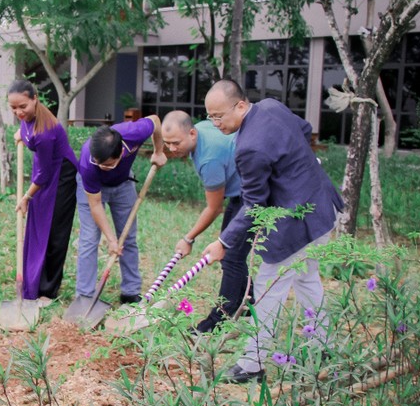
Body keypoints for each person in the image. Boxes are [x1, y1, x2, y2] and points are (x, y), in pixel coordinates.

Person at [201, 79, 343, 383]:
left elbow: (253, 204)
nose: (215, 124)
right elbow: (303, 130)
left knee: (267, 287)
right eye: (210, 117)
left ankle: (252, 364)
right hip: (320, 206)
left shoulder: (248, 147)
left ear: (240, 105)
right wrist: (296, 169)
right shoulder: (271, 106)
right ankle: (325, 348)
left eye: (219, 116)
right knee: (307, 280)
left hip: (298, 222)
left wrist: (223, 241)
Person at [161, 110, 252, 332]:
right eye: (167, 144)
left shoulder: (209, 160)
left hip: (251, 195)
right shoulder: (202, 129)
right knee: (233, 256)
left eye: (176, 143)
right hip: (240, 192)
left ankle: (217, 322)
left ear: (192, 133)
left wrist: (188, 238)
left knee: (230, 257)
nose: (172, 149)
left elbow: (214, 208)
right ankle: (250, 304)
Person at [75, 115, 166, 305]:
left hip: (123, 185)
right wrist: (111, 239)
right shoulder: (88, 163)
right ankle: (84, 296)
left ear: (121, 153)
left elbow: (156, 121)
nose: (102, 167)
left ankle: (131, 292)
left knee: (129, 238)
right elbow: (95, 205)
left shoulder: (134, 132)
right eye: (99, 163)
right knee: (89, 239)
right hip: (92, 191)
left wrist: (159, 151)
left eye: (107, 164)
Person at [8, 80, 78, 304]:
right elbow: (27, 132)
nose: (19, 112)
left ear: (35, 99)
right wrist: (21, 134)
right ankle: (35, 282)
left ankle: (48, 291)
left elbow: (44, 174)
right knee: (38, 227)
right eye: (13, 108)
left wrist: (27, 196)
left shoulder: (45, 131)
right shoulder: (30, 119)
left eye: (23, 106)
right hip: (44, 175)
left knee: (54, 233)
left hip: (61, 178)